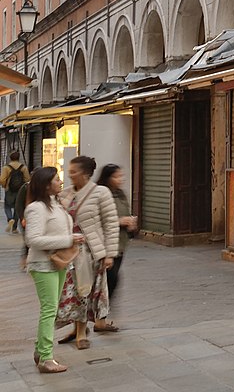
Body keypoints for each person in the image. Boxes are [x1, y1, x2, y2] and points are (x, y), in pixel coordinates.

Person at [57, 155, 118, 350]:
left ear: (84, 173)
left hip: (90, 252)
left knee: (84, 290)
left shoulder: (101, 193)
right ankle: (76, 329)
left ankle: (82, 332)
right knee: (70, 292)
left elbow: (110, 224)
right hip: (67, 251)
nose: (70, 175)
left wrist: (110, 253)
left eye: (73, 171)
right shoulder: (64, 194)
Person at [22, 165, 74, 375]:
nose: (60, 182)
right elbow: (32, 239)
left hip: (59, 262)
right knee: (49, 310)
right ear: (45, 185)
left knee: (52, 310)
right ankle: (46, 358)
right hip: (43, 264)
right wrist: (69, 239)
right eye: (56, 179)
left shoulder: (56, 203)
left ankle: (39, 351)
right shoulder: (36, 208)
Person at [94, 164, 136, 326]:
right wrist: (120, 221)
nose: (120, 180)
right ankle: (99, 317)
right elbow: (98, 219)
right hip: (106, 245)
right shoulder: (100, 194)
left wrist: (131, 223)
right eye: (116, 176)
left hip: (120, 244)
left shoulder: (120, 194)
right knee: (110, 280)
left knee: (112, 280)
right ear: (107, 177)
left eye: (121, 176)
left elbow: (125, 213)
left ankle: (101, 317)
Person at [3, 151, 28, 232]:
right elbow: (27, 179)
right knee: (17, 207)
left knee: (7, 206)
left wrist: (5, 186)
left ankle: (10, 219)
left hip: (9, 190)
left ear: (10, 158)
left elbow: (2, 179)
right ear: (18, 158)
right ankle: (14, 228)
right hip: (20, 190)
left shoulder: (6, 168)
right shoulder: (23, 167)